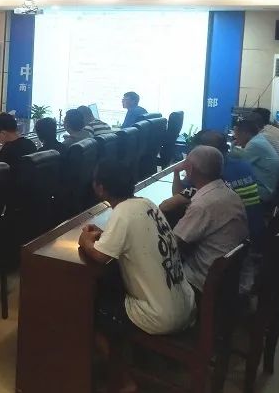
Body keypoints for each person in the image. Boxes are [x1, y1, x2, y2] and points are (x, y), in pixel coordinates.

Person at [79, 160, 195, 392]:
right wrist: (107, 235)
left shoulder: (123, 213)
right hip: (185, 304)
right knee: (111, 288)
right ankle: (136, 357)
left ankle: (124, 381)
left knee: (89, 311)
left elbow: (100, 256)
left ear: (100, 187)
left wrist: (85, 241)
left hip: (160, 316)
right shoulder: (146, 203)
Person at [166, 146, 249, 292]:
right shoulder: (229, 193)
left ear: (189, 169)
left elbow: (173, 244)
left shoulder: (202, 205)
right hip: (231, 275)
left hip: (202, 280)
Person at [160, 130, 264, 244]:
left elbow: (171, 202)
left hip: (228, 241)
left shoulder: (205, 182)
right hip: (249, 235)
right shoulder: (244, 167)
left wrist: (177, 172)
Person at [230, 119, 279, 203]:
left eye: (236, 134)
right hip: (268, 186)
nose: (235, 137)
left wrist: (232, 146)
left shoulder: (254, 144)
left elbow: (238, 164)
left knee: (228, 184)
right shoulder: (259, 139)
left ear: (244, 133)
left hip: (264, 191)